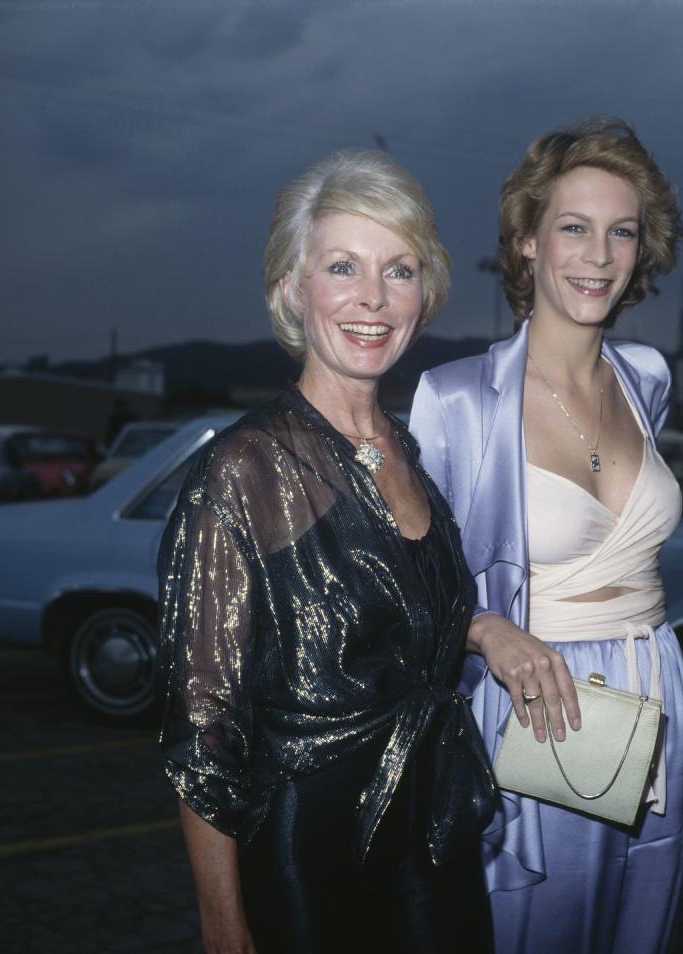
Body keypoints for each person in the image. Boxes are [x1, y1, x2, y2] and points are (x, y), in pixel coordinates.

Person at [157, 149, 497, 954]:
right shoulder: (245, 471)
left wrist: (485, 629)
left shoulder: (405, 450)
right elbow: (201, 725)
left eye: (400, 270)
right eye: (342, 266)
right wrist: (222, 920)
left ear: (427, 294)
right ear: (291, 288)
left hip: (433, 839)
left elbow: (413, 628)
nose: (373, 298)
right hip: (308, 860)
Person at [409, 117, 683, 954]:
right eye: (573, 227)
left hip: (657, 689)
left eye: (622, 232)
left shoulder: (648, 378)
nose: (598, 256)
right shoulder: (458, 399)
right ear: (527, 240)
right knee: (535, 931)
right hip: (543, 706)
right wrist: (485, 627)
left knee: (638, 927)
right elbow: (407, 584)